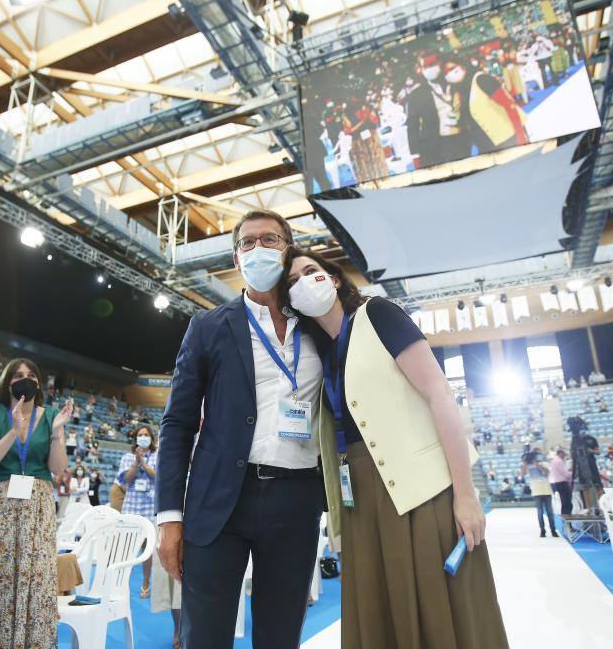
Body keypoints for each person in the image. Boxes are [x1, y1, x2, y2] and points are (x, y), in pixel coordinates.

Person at [283, 247, 508, 648]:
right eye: (291, 281)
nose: (302, 282)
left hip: (421, 491)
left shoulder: (377, 314)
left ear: (333, 279)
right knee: (379, 610)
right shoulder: (320, 354)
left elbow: (440, 393)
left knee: (440, 607)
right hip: (360, 500)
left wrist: (465, 494)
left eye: (310, 270)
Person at [156, 211, 325, 649]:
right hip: (220, 501)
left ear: (288, 251)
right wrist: (169, 517)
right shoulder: (208, 327)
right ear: (236, 258)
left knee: (279, 634)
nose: (258, 248)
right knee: (205, 636)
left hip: (296, 498)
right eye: (247, 242)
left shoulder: (319, 327)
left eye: (269, 239)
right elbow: (177, 423)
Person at [0, 358, 72, 648]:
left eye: (31, 375)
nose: (25, 379)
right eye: (18, 375)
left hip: (37, 508)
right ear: (7, 382)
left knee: (35, 579)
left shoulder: (49, 417)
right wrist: (13, 430)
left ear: (39, 382)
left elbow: (58, 468)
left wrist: (58, 432)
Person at [118, 425, 158, 598]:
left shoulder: (158, 456)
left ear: (151, 438)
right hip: (131, 508)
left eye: (146, 435)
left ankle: (145, 582)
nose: (143, 437)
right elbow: (126, 479)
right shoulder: (127, 457)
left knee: (146, 549)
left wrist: (144, 463)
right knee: (126, 548)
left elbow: (158, 476)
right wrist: (136, 462)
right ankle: (122, 583)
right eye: (140, 435)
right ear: (135, 439)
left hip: (149, 508)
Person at [522, 450, 557, 537]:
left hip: (546, 490)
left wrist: (538, 465)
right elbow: (523, 474)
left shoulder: (543, 464)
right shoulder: (527, 466)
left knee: (550, 512)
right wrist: (525, 462)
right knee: (540, 512)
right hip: (536, 491)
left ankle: (553, 530)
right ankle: (542, 530)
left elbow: (547, 472)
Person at [549, 447, 573, 515]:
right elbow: (566, 474)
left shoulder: (555, 461)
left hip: (559, 483)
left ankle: (566, 520)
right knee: (567, 503)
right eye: (564, 454)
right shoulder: (558, 461)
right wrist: (572, 472)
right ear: (560, 453)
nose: (564, 456)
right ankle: (567, 520)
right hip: (563, 483)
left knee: (565, 503)